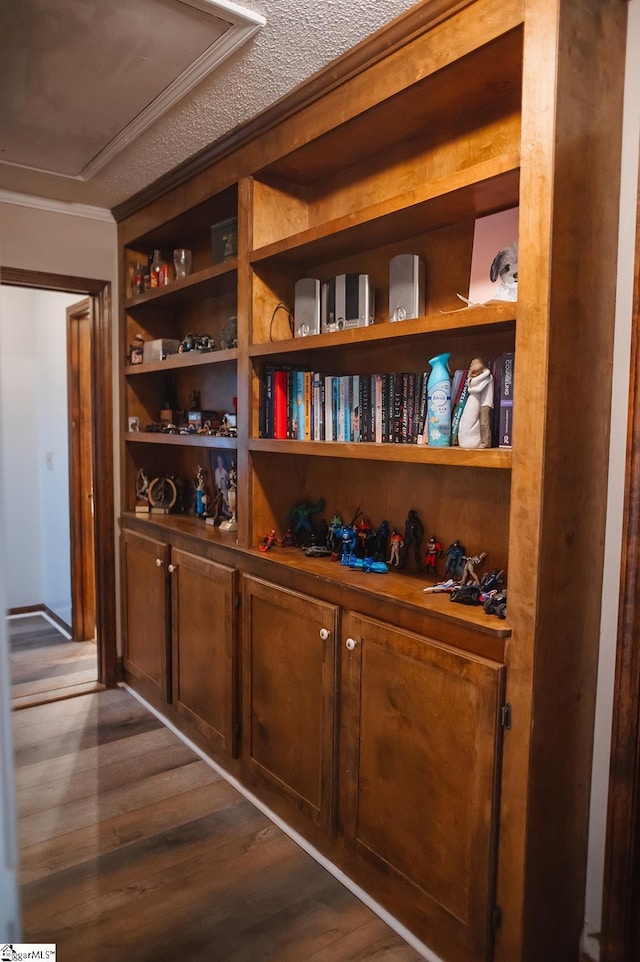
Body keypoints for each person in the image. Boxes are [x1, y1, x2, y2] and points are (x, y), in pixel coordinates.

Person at [458, 358, 494, 449]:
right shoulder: (478, 378)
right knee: (479, 423)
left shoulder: (487, 377)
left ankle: (486, 442)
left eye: (472, 364)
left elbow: (479, 389)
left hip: (486, 402)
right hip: (481, 401)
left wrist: (470, 389)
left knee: (484, 423)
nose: (470, 366)